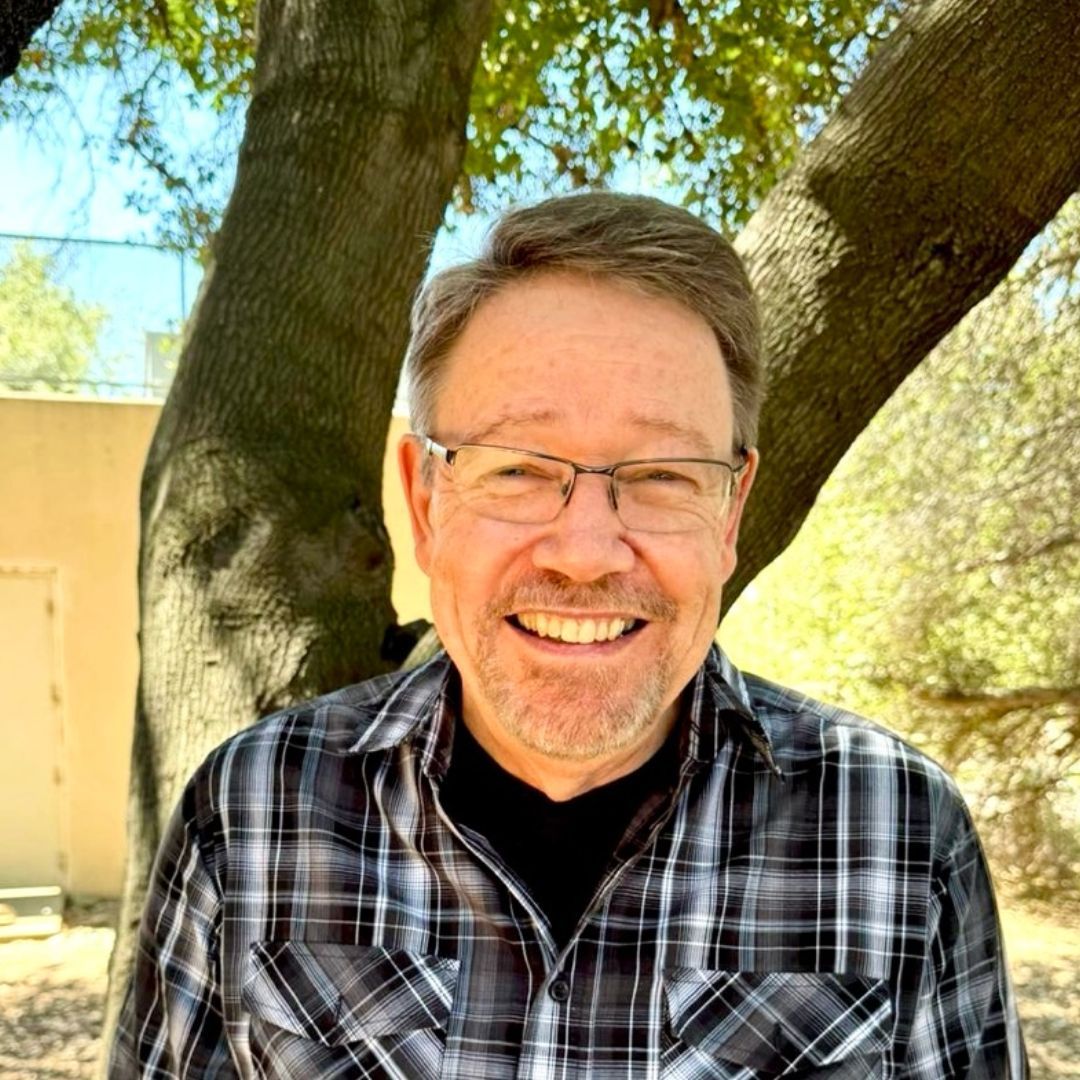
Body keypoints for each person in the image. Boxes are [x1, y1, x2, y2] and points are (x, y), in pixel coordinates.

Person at [110, 192, 1027, 1078]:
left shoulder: (899, 832)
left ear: (731, 511)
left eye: (664, 474)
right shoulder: (251, 815)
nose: (586, 553)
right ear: (425, 502)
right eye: (516, 469)